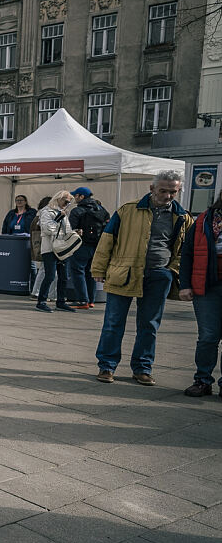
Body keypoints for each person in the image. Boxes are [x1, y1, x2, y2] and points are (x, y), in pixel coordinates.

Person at [91, 170, 188, 385]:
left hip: (159, 275)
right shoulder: (127, 210)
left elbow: (183, 250)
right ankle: (106, 366)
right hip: (124, 272)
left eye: (173, 191)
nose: (168, 196)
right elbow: (107, 240)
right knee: (113, 322)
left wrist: (171, 270)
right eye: (163, 190)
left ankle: (143, 368)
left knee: (149, 325)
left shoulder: (182, 216)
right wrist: (98, 269)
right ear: (152, 189)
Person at [178, 191, 222, 397]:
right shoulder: (204, 219)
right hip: (208, 287)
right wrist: (184, 284)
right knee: (208, 336)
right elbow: (187, 253)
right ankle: (202, 380)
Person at [67, 187, 109, 308]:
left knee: (77, 271)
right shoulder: (101, 209)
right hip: (97, 246)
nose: (75, 198)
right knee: (90, 273)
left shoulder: (77, 211)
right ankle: (91, 300)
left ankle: (82, 300)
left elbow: (70, 229)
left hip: (80, 246)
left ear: (82, 197)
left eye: (76, 196)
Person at [36, 190, 77, 313]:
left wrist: (75, 232)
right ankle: (41, 301)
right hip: (49, 248)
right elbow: (47, 229)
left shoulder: (62, 212)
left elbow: (66, 230)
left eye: (69, 202)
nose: (67, 204)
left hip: (62, 248)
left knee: (64, 276)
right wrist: (60, 217)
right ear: (58, 199)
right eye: (65, 201)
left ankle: (61, 302)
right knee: (50, 275)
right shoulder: (46, 212)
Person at [29, 195, 51, 297]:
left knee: (44, 270)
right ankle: (37, 292)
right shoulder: (43, 216)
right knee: (44, 270)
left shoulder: (38, 216)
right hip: (45, 246)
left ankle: (37, 292)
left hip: (41, 246)